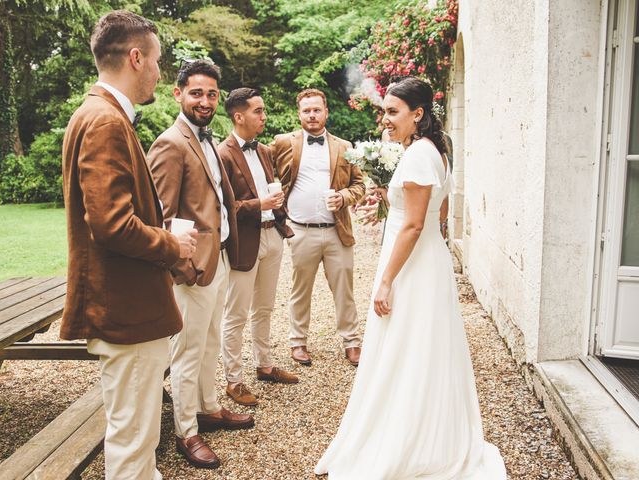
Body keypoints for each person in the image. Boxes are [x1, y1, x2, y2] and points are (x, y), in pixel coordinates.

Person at [314, 77, 507, 479]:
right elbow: (434, 211)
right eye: (384, 111)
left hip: (413, 265)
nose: (385, 120)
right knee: (419, 346)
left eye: (392, 112)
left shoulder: (419, 154)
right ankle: (425, 429)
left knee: (406, 346)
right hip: (425, 261)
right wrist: (390, 201)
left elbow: (416, 225)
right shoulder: (434, 150)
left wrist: (385, 280)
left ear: (417, 114)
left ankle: (409, 440)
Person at [61, 11, 197, 480]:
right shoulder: (104, 121)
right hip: (128, 310)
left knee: (136, 438)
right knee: (134, 445)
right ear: (136, 58)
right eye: (157, 60)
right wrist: (172, 242)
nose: (160, 71)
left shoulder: (98, 113)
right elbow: (112, 224)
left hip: (127, 307)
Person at [146, 60, 253, 470]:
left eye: (211, 94)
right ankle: (186, 431)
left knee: (209, 343)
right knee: (188, 352)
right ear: (178, 94)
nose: (205, 101)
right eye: (196, 93)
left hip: (219, 257)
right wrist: (184, 268)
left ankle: (208, 407)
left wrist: (220, 255)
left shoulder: (207, 139)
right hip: (193, 267)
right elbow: (163, 214)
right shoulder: (171, 143)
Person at [271, 89, 365, 366]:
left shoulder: (345, 147)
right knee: (300, 288)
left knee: (344, 288)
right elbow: (263, 171)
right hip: (300, 230)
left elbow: (359, 185)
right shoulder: (282, 143)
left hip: (337, 230)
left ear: (326, 112)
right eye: (306, 110)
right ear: (298, 114)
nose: (312, 115)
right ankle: (297, 342)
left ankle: (352, 341)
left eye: (316, 110)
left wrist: (344, 197)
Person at [217, 88, 298, 407]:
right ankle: (234, 381)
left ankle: (264, 365)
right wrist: (258, 204)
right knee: (235, 314)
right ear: (239, 117)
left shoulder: (264, 150)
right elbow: (222, 206)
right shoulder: (221, 154)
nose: (264, 117)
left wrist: (276, 207)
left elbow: (268, 189)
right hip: (244, 241)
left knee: (264, 308)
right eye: (258, 111)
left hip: (272, 237)